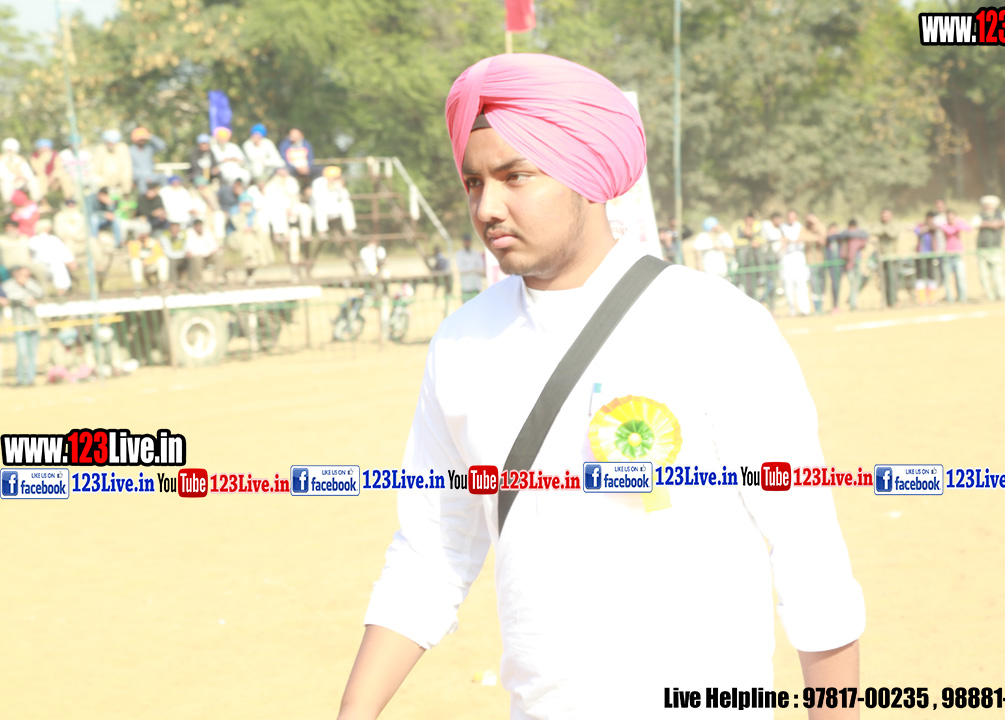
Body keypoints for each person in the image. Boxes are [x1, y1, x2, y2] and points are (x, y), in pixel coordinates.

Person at [339, 53, 863, 720]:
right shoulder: (461, 345)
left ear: (584, 174)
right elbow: (431, 553)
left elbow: (808, 548)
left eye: (515, 176)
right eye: (473, 183)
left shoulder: (713, 321)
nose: (488, 207)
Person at [2, 265, 45, 386]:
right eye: (23, 275)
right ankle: (21, 379)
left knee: (32, 353)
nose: (26, 277)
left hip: (32, 323)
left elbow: (41, 293)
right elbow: (10, 296)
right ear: (16, 274)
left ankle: (30, 379)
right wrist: (27, 298)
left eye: (27, 275)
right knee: (22, 353)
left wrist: (27, 284)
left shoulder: (30, 283)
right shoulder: (9, 285)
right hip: (19, 324)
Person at [971, 195, 1005, 302]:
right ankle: (990, 296)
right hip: (982, 249)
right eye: (987, 205)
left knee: (998, 274)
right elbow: (973, 224)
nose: (989, 207)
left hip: (996, 249)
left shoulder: (1001, 214)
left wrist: (1000, 223)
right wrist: (988, 224)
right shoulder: (980, 216)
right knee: (984, 276)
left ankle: (1001, 295)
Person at [29, 219, 77, 295]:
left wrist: (69, 261)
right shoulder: (34, 240)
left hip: (54, 264)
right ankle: (61, 289)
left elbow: (63, 251)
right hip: (40, 265)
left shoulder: (52, 238)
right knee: (57, 265)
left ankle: (61, 289)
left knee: (58, 265)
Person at [778, 210, 810, 316]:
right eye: (789, 217)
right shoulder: (782, 227)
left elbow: (801, 238)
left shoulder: (800, 227)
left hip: (799, 257)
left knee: (801, 283)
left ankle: (805, 310)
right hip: (787, 258)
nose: (790, 219)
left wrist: (789, 240)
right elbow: (782, 241)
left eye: (792, 217)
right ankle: (792, 310)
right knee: (788, 284)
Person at [936, 209, 971, 303]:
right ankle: (949, 298)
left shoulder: (958, 224)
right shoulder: (944, 226)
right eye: (949, 216)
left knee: (961, 278)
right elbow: (950, 232)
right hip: (948, 255)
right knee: (947, 279)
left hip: (958, 254)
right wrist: (957, 225)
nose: (950, 218)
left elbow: (968, 229)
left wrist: (960, 221)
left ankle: (962, 298)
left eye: (952, 216)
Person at [870, 209, 902, 308]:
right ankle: (886, 301)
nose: (885, 218)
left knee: (893, 280)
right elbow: (874, 231)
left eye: (887, 216)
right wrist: (884, 230)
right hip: (881, 258)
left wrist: (884, 230)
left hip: (892, 257)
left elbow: (893, 234)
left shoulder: (895, 224)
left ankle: (894, 301)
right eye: (883, 216)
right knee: (883, 281)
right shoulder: (878, 224)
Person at [91, 130, 133, 198]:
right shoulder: (101, 149)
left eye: (112, 142)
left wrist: (125, 188)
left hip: (119, 184)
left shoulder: (122, 148)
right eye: (108, 142)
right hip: (104, 185)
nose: (110, 144)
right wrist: (102, 185)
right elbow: (96, 170)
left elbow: (127, 169)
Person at [29, 138, 73, 202]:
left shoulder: (55, 154)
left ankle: (69, 200)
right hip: (43, 180)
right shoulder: (34, 156)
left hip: (54, 180)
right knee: (40, 179)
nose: (44, 151)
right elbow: (38, 171)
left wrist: (53, 176)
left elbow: (59, 168)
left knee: (65, 177)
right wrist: (43, 160)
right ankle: (43, 202)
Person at [802, 213, 828, 314]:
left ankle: (821, 306)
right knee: (813, 284)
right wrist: (816, 237)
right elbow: (802, 237)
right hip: (810, 262)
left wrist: (816, 223)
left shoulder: (820, 227)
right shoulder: (804, 228)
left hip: (821, 260)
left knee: (821, 284)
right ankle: (816, 306)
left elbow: (823, 239)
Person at [129, 127, 167, 195]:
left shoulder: (149, 148)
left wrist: (150, 136)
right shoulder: (130, 150)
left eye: (143, 138)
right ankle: (144, 198)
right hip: (138, 177)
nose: (142, 140)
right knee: (142, 181)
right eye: (139, 138)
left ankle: (164, 197)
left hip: (151, 176)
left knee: (163, 177)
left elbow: (162, 145)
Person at [0, 138, 39, 203]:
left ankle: (35, 202)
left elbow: (28, 172)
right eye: (9, 150)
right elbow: (2, 174)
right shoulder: (1, 159)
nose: (10, 152)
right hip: (8, 182)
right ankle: (8, 204)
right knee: (7, 184)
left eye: (12, 150)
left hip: (22, 181)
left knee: (34, 180)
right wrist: (14, 177)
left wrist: (24, 177)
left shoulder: (20, 159)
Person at [734, 212, 762, 301]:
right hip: (744, 262)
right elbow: (736, 241)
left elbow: (762, 240)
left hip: (755, 262)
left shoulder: (758, 228)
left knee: (755, 284)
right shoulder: (739, 227)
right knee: (746, 285)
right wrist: (749, 242)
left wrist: (753, 238)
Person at [184, 218, 218, 290]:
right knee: (197, 258)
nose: (199, 228)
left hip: (207, 256)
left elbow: (213, 245)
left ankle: (217, 278)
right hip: (196, 258)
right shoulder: (189, 233)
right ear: (194, 227)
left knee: (218, 255)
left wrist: (212, 251)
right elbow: (189, 249)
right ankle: (198, 281)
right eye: (198, 226)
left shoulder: (207, 231)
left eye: (200, 226)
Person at [913, 212, 939, 306]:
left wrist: (931, 227)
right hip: (920, 255)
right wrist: (927, 227)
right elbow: (918, 231)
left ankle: (932, 299)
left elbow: (938, 229)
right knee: (920, 277)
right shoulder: (920, 226)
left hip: (931, 256)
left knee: (931, 277)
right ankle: (922, 300)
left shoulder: (934, 228)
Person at [843, 218, 869, 311]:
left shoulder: (860, 236)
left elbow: (865, 235)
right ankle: (853, 303)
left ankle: (852, 300)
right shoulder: (846, 235)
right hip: (848, 263)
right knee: (853, 283)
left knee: (858, 282)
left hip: (857, 261)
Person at [455, 233, 485, 302]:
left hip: (476, 286)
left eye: (468, 241)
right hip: (466, 286)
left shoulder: (476, 253)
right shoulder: (459, 254)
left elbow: (481, 267)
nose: (467, 243)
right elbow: (461, 269)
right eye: (466, 241)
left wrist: (470, 268)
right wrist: (474, 268)